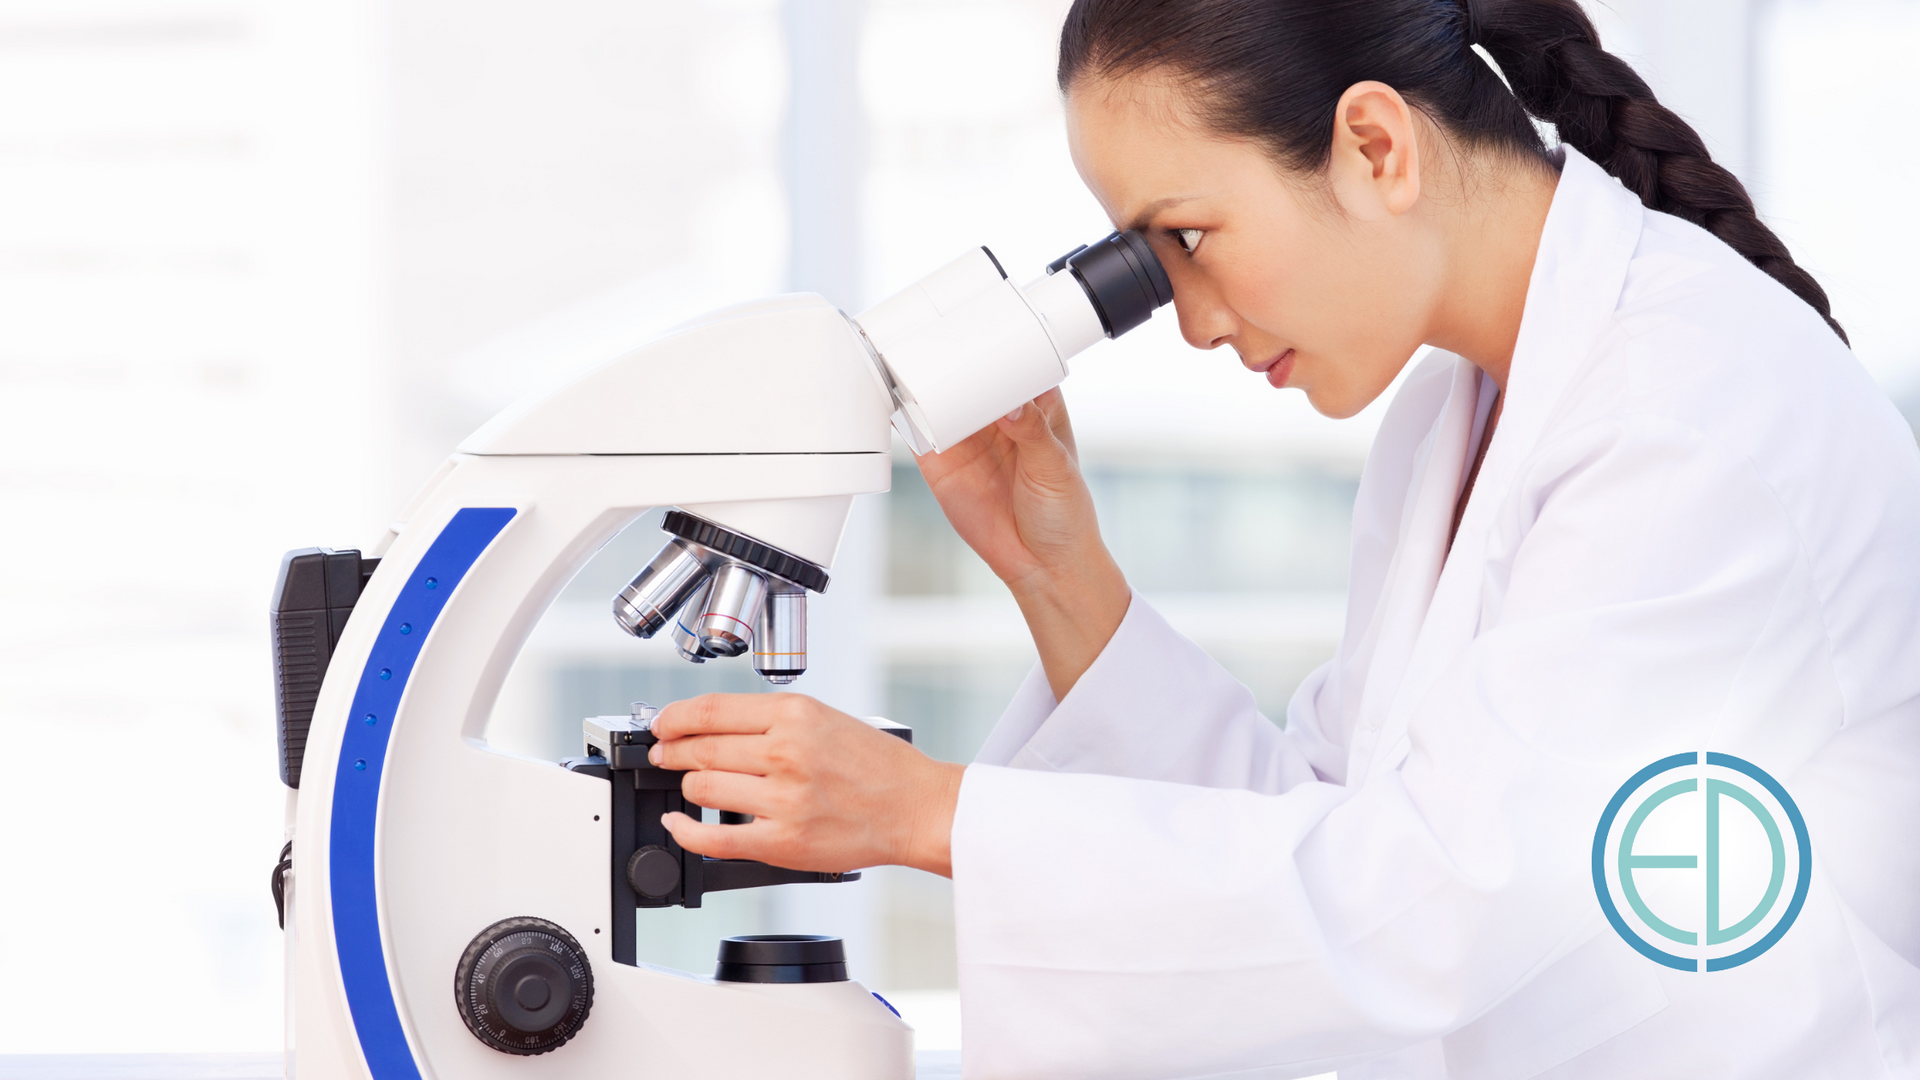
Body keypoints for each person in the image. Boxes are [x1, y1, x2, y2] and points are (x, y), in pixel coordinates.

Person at [646, 0, 1920, 1075]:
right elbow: (1316, 827)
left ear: (1375, 145)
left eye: (1189, 238)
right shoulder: (1456, 409)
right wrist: (1057, 569)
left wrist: (928, 816)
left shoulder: (1692, 409)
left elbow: (1435, 911)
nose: (1189, 320)